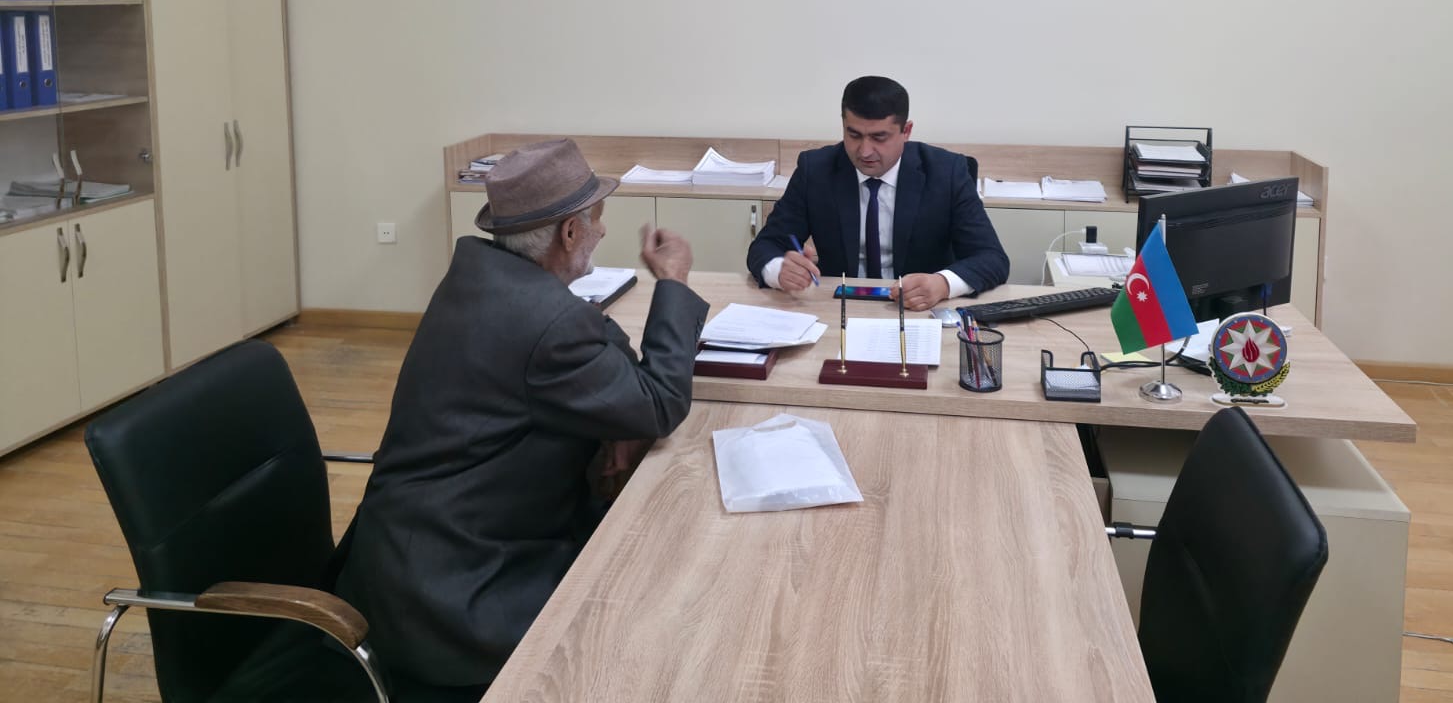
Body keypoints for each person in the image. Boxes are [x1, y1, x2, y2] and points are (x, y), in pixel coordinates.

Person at [336, 139, 707, 691]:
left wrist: (616, 422)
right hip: (457, 593)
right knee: (649, 609)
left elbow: (599, 364)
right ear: (569, 234)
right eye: (597, 218)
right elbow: (658, 402)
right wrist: (673, 281)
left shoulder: (478, 279)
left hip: (407, 552)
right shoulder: (547, 321)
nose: (603, 230)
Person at [747, 77, 1008, 309]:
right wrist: (778, 270)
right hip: (839, 307)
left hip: (917, 310)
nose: (864, 151)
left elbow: (992, 258)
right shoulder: (816, 170)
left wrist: (942, 284)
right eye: (854, 135)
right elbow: (765, 246)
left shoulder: (946, 172)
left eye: (879, 137)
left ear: (906, 131)